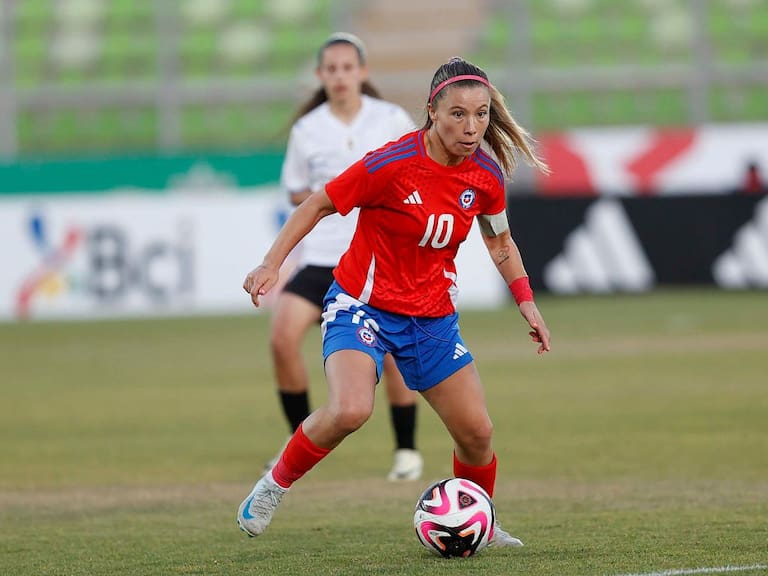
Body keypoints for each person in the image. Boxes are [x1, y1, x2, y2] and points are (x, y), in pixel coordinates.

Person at [238, 56, 552, 547]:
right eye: (458, 115)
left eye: (482, 115)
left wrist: (525, 300)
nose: (472, 127)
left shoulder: (485, 176)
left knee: (477, 434)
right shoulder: (391, 164)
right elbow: (318, 203)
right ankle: (272, 486)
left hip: (431, 319)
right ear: (432, 111)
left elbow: (499, 242)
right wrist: (271, 264)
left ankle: (479, 524)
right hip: (362, 306)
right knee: (350, 411)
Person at [265, 32, 423, 481]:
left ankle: (406, 451)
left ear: (362, 72)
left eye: (347, 67)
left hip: (375, 257)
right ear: (320, 76)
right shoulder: (307, 129)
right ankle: (298, 441)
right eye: (330, 69)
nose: (339, 76)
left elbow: (416, 175)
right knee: (282, 337)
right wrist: (338, 188)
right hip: (320, 259)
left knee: (390, 354)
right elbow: (296, 191)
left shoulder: (391, 119)